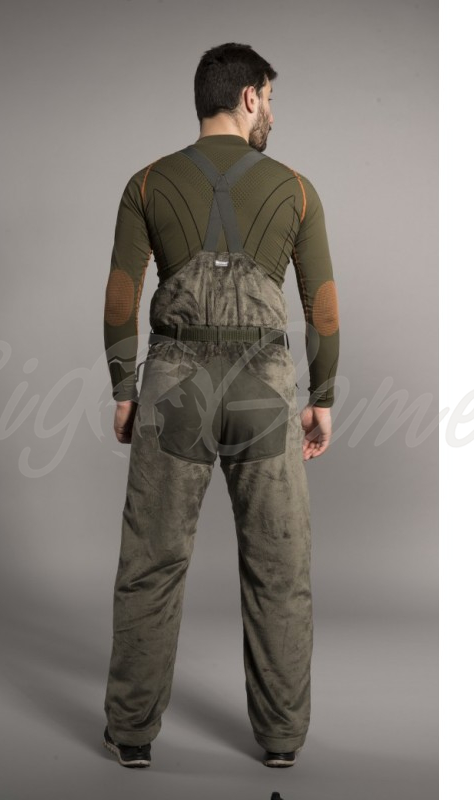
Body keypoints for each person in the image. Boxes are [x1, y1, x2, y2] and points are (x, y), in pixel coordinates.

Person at [101, 42, 340, 770]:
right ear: (248, 97)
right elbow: (323, 309)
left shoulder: (146, 184)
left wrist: (124, 388)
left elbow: (120, 298)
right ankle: (281, 738)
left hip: (173, 388)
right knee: (278, 568)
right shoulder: (296, 189)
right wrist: (322, 397)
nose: (272, 112)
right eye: (270, 97)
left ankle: (132, 733)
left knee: (152, 563)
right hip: (265, 390)